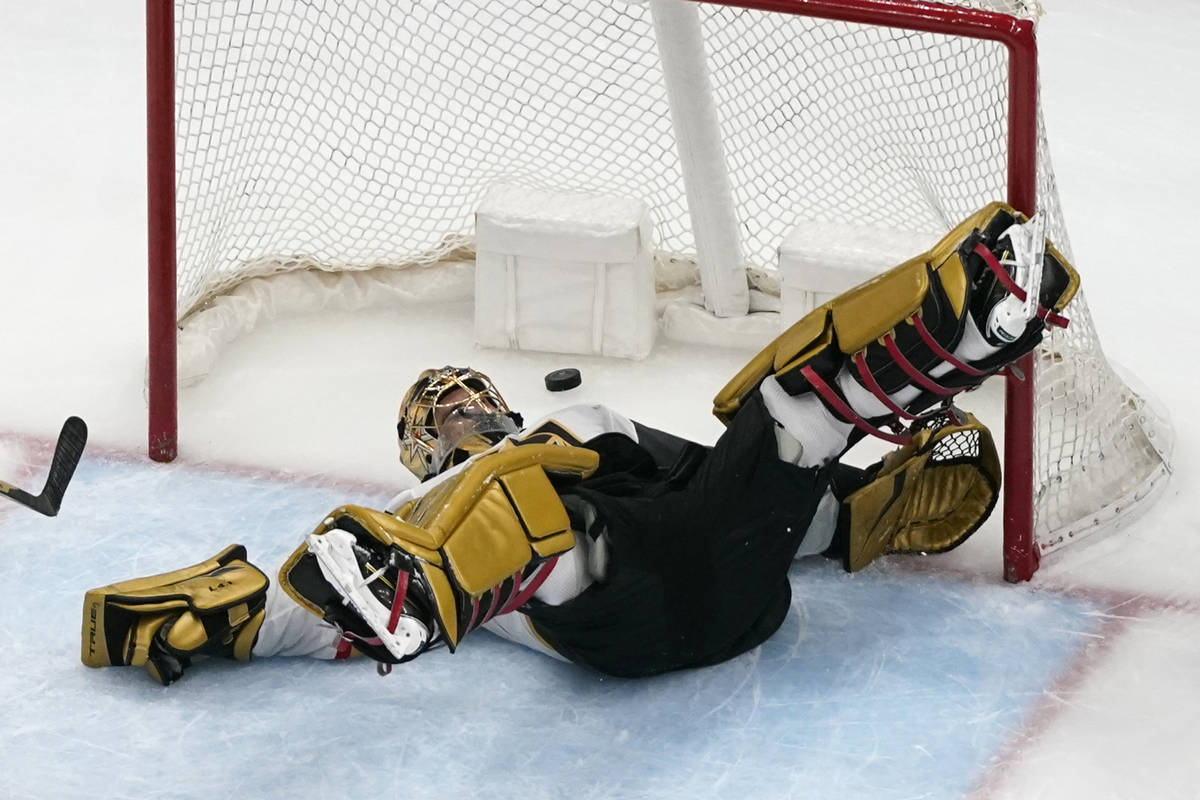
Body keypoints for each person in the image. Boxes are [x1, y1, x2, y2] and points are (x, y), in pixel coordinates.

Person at [81, 202, 1078, 685]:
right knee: (504, 502)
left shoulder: (587, 424)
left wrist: (835, 513)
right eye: (441, 410)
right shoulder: (416, 512)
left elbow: (712, 488)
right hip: (620, 622)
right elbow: (315, 610)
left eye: (471, 391)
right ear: (421, 451)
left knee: (772, 418)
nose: (464, 405)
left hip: (732, 588)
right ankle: (421, 595)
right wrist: (227, 623)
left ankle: (967, 336)